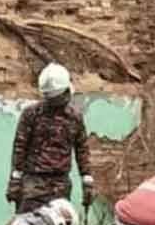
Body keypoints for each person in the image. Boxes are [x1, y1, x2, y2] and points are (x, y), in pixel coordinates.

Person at [8, 62, 94, 213]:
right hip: (32, 184)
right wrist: (15, 179)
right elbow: (20, 147)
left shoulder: (74, 118)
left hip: (60, 185)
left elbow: (82, 149)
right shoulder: (31, 114)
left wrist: (87, 180)